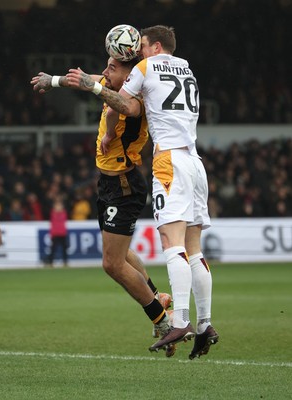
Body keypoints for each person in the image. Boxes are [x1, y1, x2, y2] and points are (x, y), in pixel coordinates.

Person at [66, 25, 219, 360]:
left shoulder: (146, 68)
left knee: (171, 243)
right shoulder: (186, 67)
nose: (138, 52)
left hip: (170, 163)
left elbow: (126, 104)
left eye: (143, 46)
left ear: (156, 46)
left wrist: (94, 87)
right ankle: (205, 323)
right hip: (195, 160)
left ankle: (176, 321)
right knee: (193, 249)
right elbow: (117, 90)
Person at [30, 56, 173, 348]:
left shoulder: (134, 99)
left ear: (130, 75)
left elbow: (115, 106)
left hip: (123, 184)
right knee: (120, 255)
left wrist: (108, 130)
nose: (105, 72)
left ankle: (163, 321)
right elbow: (96, 82)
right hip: (109, 184)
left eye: (112, 68)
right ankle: (157, 297)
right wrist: (55, 81)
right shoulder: (116, 85)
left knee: (111, 264)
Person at [48, 197, 68, 267]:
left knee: (64, 249)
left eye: (60, 206)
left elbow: (62, 217)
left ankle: (65, 262)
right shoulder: (53, 213)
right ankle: (50, 262)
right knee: (53, 249)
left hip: (62, 234)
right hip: (55, 234)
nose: (59, 207)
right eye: (57, 206)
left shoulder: (63, 213)